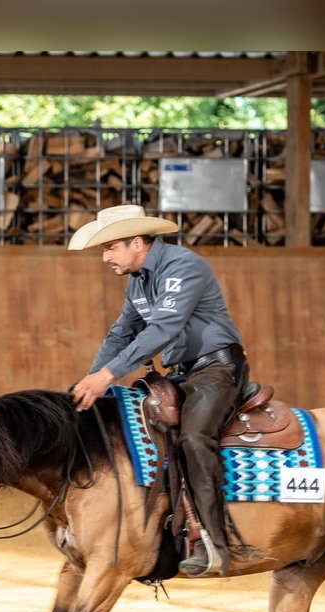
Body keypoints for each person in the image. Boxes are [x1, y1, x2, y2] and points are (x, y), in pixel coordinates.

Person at [67, 205, 247, 578]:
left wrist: (107, 376)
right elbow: (121, 333)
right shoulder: (138, 280)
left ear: (137, 242)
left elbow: (161, 330)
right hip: (184, 373)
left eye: (111, 247)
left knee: (196, 439)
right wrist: (91, 381)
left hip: (217, 368)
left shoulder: (183, 266)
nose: (105, 257)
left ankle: (214, 541)